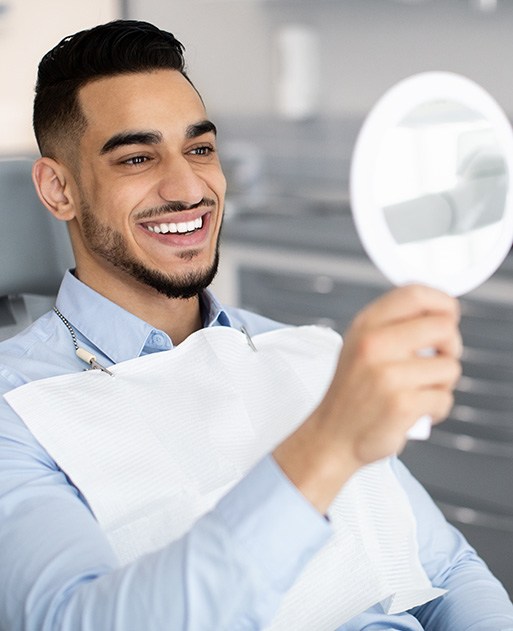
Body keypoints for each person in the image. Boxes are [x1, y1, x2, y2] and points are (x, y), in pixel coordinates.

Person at [0, 19, 511, 631]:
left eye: (200, 149)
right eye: (137, 157)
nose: (188, 187)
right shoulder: (17, 413)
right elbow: (77, 619)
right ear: (59, 189)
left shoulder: (304, 353)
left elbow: (448, 571)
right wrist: (326, 443)